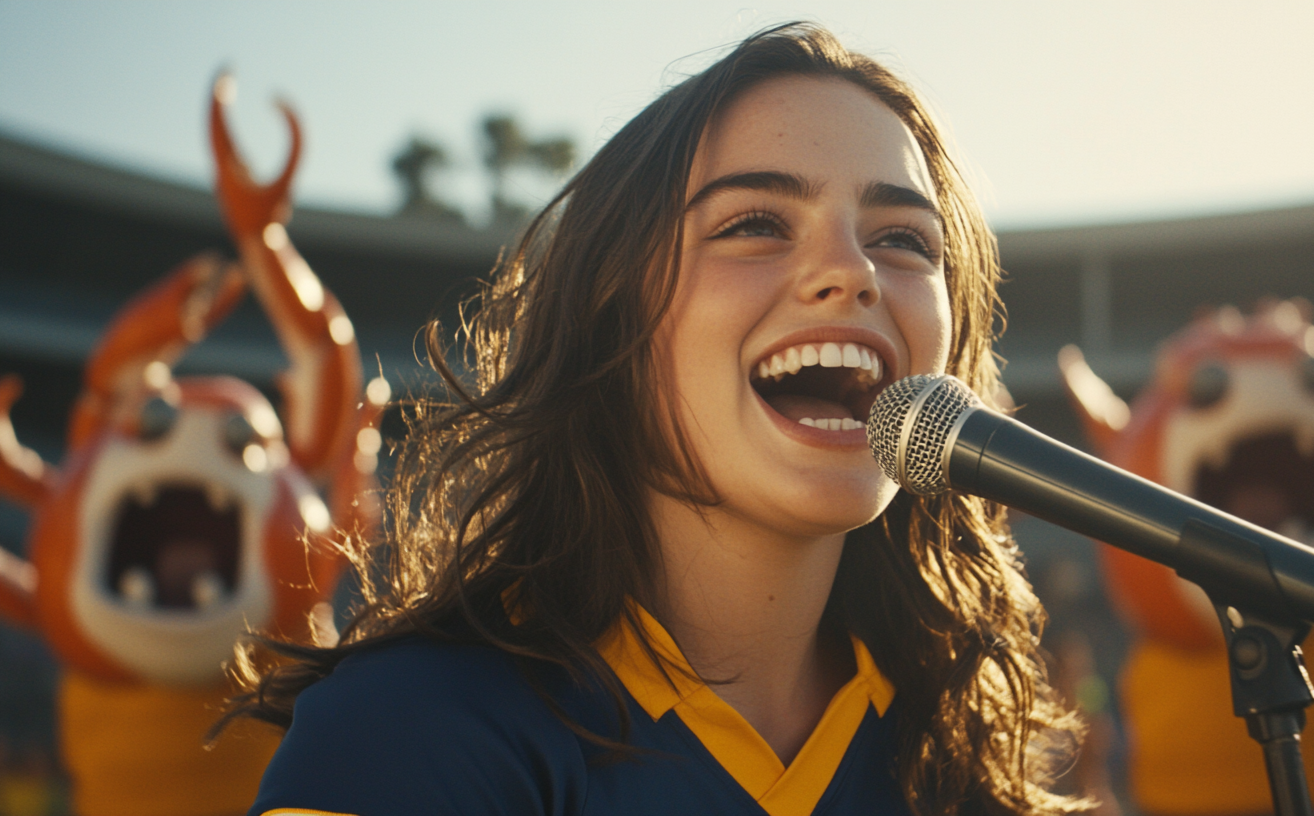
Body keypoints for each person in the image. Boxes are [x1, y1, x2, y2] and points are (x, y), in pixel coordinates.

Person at [232, 23, 1086, 816]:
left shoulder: (959, 752)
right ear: (610, 325)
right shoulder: (409, 731)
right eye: (755, 223)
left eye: (905, 238)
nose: (851, 271)